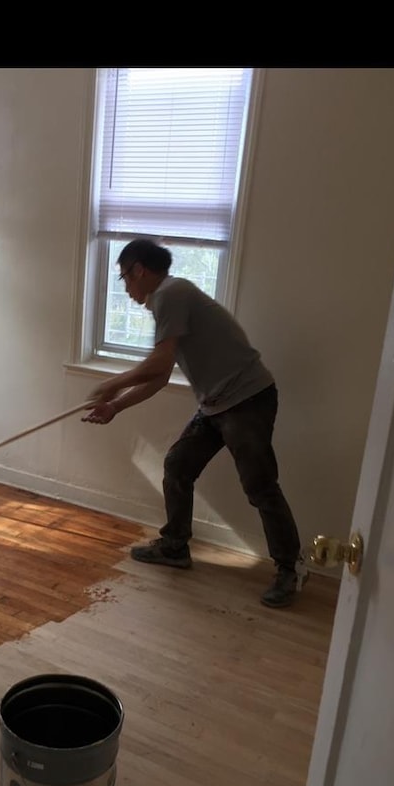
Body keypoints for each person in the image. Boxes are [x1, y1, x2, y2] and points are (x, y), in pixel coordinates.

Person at [82, 238, 307, 608]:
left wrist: (111, 384)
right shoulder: (167, 301)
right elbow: (160, 376)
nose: (125, 288)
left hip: (248, 399)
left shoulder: (172, 293)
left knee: (259, 485)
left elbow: (155, 366)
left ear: (139, 269)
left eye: (124, 278)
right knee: (178, 465)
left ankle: (290, 569)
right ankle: (174, 546)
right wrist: (116, 407)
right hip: (216, 404)